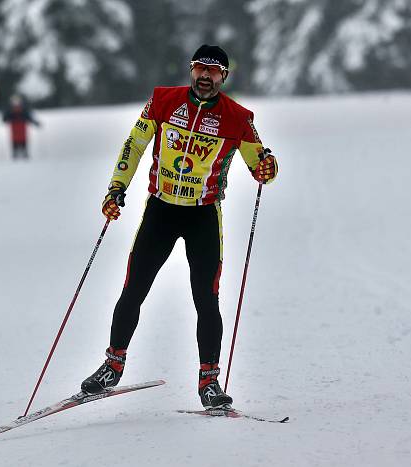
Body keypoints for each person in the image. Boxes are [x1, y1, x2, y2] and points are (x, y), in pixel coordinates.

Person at [79, 45, 278, 409]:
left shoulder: (238, 117)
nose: (206, 76)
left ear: (224, 77)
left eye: (214, 71)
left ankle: (209, 382)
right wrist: (116, 188)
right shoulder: (162, 101)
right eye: (200, 68)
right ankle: (113, 365)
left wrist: (268, 166)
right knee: (133, 288)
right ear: (190, 70)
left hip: (203, 215)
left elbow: (259, 162)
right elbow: (134, 145)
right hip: (161, 211)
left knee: (206, 297)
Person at [2, 94, 40, 160]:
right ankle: (15, 153)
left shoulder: (23, 110)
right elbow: (5, 118)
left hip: (22, 130)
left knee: (23, 141)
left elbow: (29, 118)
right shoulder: (10, 111)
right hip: (14, 131)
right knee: (15, 142)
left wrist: (35, 123)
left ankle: (24, 153)